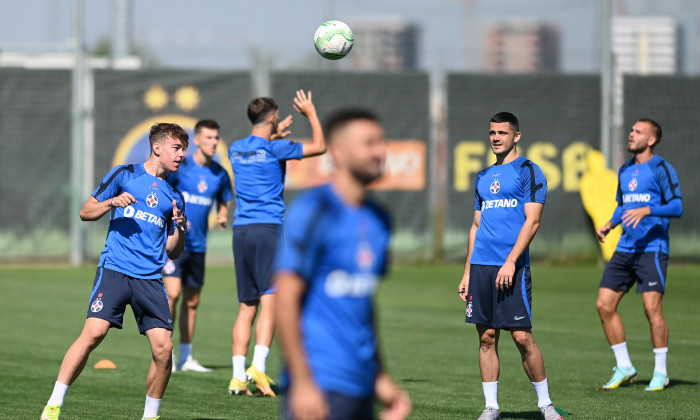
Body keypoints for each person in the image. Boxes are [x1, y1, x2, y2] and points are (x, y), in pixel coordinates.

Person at [40, 123, 189, 420]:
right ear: (157, 147)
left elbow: (173, 250)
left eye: (184, 149)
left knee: (164, 350)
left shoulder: (174, 195)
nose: (181, 155)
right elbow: (86, 212)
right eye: (177, 148)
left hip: (150, 279)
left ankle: (150, 416)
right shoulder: (124, 175)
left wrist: (181, 230)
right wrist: (112, 201)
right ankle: (54, 405)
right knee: (94, 332)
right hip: (115, 271)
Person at [275, 109, 412, 420]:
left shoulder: (379, 219)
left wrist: (379, 376)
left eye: (381, 141)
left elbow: (363, 303)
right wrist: (303, 381)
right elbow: (285, 297)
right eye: (369, 143)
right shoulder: (315, 210)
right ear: (337, 152)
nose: (380, 151)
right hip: (320, 384)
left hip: (361, 384)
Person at [457, 112, 561, 420]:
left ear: (516, 136)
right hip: (481, 268)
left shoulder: (529, 171)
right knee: (486, 336)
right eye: (492, 132)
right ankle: (491, 408)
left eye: (502, 132)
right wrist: (466, 272)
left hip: (512, 268)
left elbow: (533, 221)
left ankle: (546, 405)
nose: (495, 137)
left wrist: (511, 262)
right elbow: (475, 227)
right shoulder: (483, 176)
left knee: (522, 337)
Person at [227, 90, 326, 397]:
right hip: (267, 229)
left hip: (241, 230)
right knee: (272, 298)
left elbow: (259, 148)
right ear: (271, 118)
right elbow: (321, 147)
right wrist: (310, 113)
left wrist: (274, 135)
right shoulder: (277, 149)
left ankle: (236, 378)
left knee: (246, 306)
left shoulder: (235, 148)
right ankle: (258, 366)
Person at [595, 118, 682, 392]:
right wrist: (610, 224)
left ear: (652, 139)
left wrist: (648, 210)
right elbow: (622, 206)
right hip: (624, 249)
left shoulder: (662, 169)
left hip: (652, 249)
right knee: (604, 305)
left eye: (638, 131)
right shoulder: (625, 169)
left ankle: (661, 373)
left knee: (651, 309)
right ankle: (624, 366)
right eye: (631, 130)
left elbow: (677, 207)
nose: (631, 135)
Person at [163, 119, 233, 372]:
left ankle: (186, 357)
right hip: (174, 243)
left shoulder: (220, 174)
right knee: (172, 295)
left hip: (199, 246)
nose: (214, 142)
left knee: (192, 302)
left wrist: (223, 215)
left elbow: (224, 199)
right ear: (198, 140)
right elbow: (164, 194)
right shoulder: (182, 168)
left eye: (216, 138)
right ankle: (165, 353)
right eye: (209, 138)